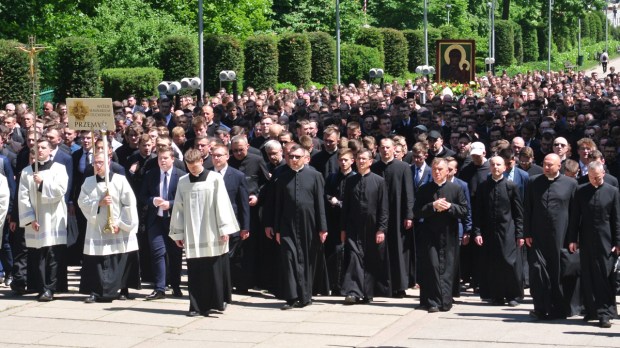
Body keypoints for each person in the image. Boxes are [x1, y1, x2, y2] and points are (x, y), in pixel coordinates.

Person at [169, 149, 239, 317]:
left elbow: (222, 203)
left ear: (201, 161)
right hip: (192, 232)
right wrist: (178, 233)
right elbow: (178, 207)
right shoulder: (183, 181)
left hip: (212, 230)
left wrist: (225, 229)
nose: (193, 170)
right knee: (195, 271)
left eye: (195, 166)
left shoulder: (214, 179)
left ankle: (216, 302)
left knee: (213, 268)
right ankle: (196, 306)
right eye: (190, 167)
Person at [78, 151, 141, 303]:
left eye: (100, 162)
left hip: (117, 225)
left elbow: (129, 203)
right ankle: (96, 290)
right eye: (95, 163)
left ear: (108, 162)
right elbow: (82, 202)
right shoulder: (88, 182)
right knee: (98, 259)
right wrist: (98, 203)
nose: (97, 165)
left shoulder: (120, 180)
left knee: (118, 257)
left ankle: (122, 289)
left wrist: (122, 224)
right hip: (97, 227)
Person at [524, 153, 579, 320]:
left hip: (561, 236)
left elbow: (575, 213)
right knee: (538, 270)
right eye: (545, 164)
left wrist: (573, 238)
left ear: (559, 166)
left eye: (550, 165)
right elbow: (527, 209)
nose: (547, 167)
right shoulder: (533, 181)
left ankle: (560, 308)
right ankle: (540, 307)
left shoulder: (571, 184)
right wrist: (527, 233)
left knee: (558, 272)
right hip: (538, 235)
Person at [273, 144, 327, 310]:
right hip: (287, 225)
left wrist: (322, 228)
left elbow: (320, 203)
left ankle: (305, 295)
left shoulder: (315, 175)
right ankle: (292, 296)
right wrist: (277, 229)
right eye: (291, 157)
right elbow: (278, 205)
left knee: (306, 259)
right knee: (289, 258)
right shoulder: (282, 177)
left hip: (308, 224)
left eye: (297, 157)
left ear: (305, 158)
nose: (294, 160)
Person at [568, 161, 620, 328]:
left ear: (603, 174)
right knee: (588, 275)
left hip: (606, 241)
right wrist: (572, 239)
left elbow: (616, 219)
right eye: (591, 178)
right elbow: (575, 217)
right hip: (586, 240)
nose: (595, 181)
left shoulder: (613, 192)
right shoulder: (581, 191)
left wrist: (618, 242)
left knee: (603, 275)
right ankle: (591, 310)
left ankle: (605, 312)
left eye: (597, 177)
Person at [413, 158, 469, 312]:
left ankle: (445, 301)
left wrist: (450, 206)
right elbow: (416, 211)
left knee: (447, 268)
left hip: (449, 235)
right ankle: (432, 301)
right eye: (435, 169)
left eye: (440, 169)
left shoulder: (455, 189)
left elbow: (464, 211)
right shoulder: (424, 189)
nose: (437, 172)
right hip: (430, 235)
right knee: (432, 267)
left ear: (447, 171)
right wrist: (433, 206)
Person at [18, 139, 69, 301]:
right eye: (36, 148)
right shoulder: (27, 171)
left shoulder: (59, 168)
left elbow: (60, 191)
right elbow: (23, 197)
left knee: (53, 255)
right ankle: (41, 287)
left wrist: (42, 183)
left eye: (43, 147)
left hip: (53, 218)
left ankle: (51, 288)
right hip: (36, 220)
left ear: (50, 150)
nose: (39, 150)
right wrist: (30, 218)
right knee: (38, 256)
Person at [473, 156, 524, 307]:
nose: (495, 167)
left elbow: (518, 213)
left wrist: (520, 234)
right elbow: (478, 212)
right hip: (488, 231)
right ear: (489, 167)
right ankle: (496, 295)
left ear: (504, 167)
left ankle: (512, 295)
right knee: (492, 263)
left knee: (508, 262)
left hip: (507, 230)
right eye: (493, 164)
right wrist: (477, 232)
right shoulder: (483, 186)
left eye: (498, 164)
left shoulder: (511, 186)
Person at [340, 149, 389, 304]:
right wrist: (343, 229)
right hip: (353, 227)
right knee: (354, 258)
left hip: (372, 227)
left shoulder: (379, 181)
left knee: (369, 259)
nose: (361, 161)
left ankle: (367, 292)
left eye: (364, 159)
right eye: (358, 158)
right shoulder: (350, 181)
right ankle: (353, 291)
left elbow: (384, 207)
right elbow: (345, 207)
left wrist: (381, 229)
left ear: (370, 161)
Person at [139, 148, 185, 300]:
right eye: (160, 158)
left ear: (172, 159)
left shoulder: (181, 176)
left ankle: (176, 286)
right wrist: (152, 201)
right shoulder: (150, 174)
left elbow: (185, 198)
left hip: (174, 220)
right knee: (158, 253)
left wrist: (170, 204)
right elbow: (142, 196)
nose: (162, 161)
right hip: (156, 220)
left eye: (165, 158)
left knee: (175, 254)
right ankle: (159, 288)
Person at [371, 138, 414, 298]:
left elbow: (409, 193)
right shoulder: (374, 167)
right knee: (380, 249)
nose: (385, 150)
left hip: (398, 214)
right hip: (377, 214)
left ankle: (399, 286)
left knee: (398, 249)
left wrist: (409, 214)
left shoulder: (403, 167)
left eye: (388, 147)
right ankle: (380, 286)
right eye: (382, 147)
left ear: (394, 149)